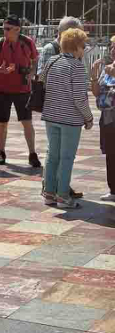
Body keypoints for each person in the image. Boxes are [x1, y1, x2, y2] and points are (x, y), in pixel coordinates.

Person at [41, 28, 93, 209]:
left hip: (50, 115)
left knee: (52, 155)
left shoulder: (52, 61)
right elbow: (79, 98)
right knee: (66, 157)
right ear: (76, 46)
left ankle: (49, 193)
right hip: (70, 119)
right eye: (83, 45)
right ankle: (63, 195)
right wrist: (88, 117)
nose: (84, 48)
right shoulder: (77, 66)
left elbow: (43, 83)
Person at [0, 15, 41, 167]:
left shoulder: (27, 42)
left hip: (22, 89)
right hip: (2, 89)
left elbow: (35, 60)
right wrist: (0, 70)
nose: (4, 31)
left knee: (27, 122)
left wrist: (32, 73)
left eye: (7, 29)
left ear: (17, 29)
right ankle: (1, 152)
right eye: (3, 28)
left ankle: (32, 153)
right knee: (2, 123)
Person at [91, 36, 115, 202]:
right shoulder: (107, 69)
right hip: (107, 118)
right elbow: (96, 93)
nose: (113, 50)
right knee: (111, 154)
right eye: (112, 46)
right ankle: (113, 190)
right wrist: (94, 76)